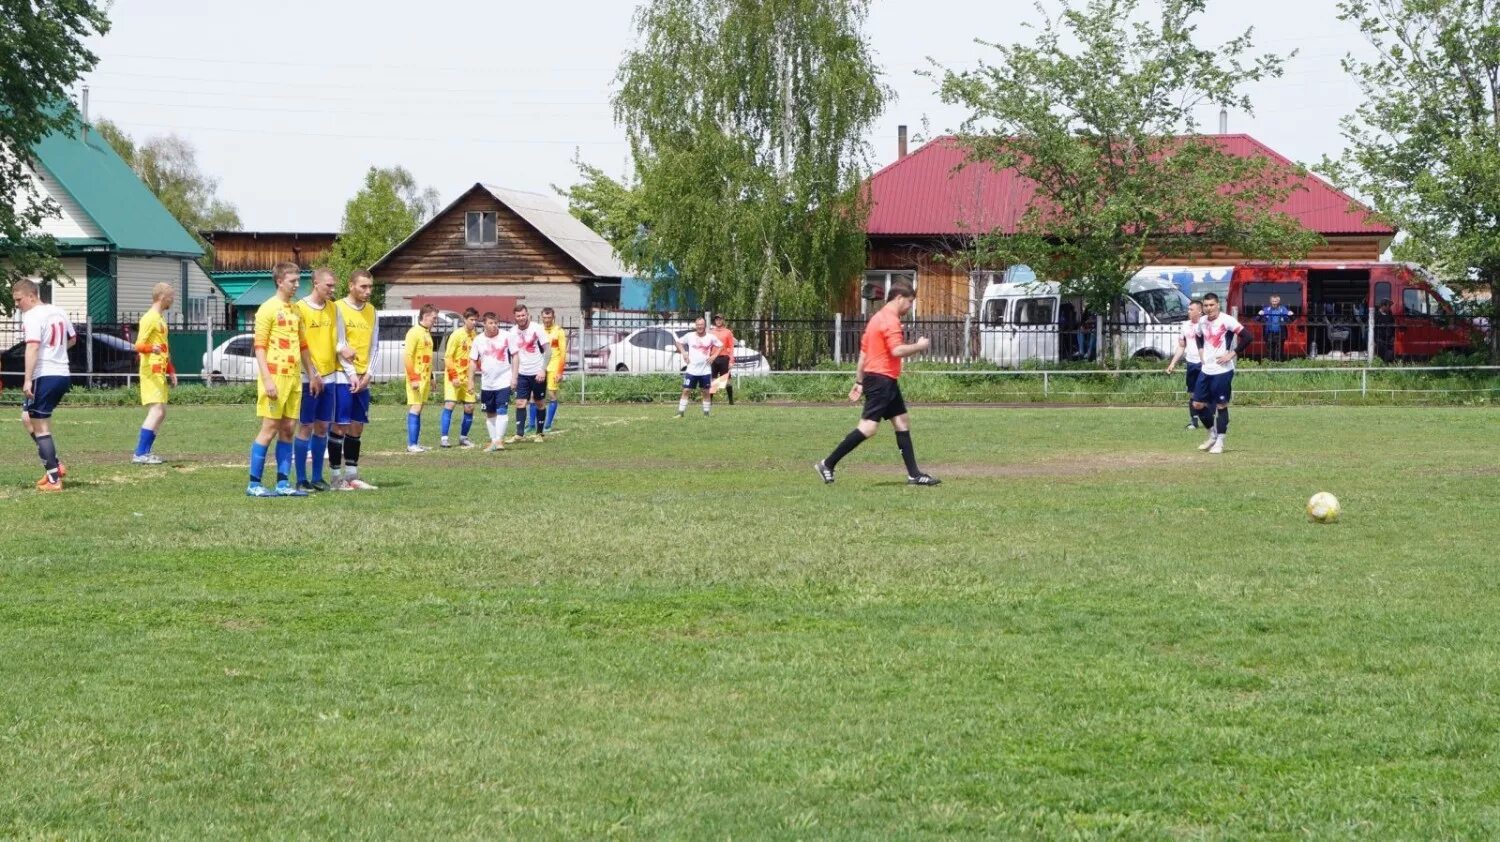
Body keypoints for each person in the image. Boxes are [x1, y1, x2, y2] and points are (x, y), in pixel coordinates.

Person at [815, 280, 940, 486]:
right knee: (868, 428)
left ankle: (914, 475)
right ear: (899, 298)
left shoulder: (876, 319)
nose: (910, 308)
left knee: (901, 422)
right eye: (909, 302)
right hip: (881, 380)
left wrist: (859, 381)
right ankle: (827, 463)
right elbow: (897, 350)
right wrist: (919, 346)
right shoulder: (890, 320)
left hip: (882, 379)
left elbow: (864, 353)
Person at [247, 262, 321, 497]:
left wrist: (312, 373)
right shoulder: (267, 309)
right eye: (293, 281)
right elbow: (259, 347)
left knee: (288, 428)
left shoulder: (296, 310)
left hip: (293, 378)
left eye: (298, 280)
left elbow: (303, 345)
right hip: (275, 377)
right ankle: (254, 483)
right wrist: (267, 379)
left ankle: (282, 483)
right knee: (269, 428)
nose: (297, 285)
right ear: (280, 281)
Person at [12, 279, 75, 492]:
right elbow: (73, 339)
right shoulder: (58, 311)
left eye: (19, 300)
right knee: (27, 417)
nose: (17, 305)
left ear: (32, 295)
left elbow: (32, 348)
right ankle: (54, 465)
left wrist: (28, 379)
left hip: (44, 375)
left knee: (41, 427)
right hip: (62, 374)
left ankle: (54, 478)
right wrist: (57, 351)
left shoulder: (32, 316)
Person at [330, 269, 379, 490]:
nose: (368, 291)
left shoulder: (372, 311)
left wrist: (368, 374)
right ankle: (335, 477)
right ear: (351, 285)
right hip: (343, 376)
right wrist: (351, 373)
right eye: (363, 287)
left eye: (370, 287)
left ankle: (352, 476)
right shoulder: (338, 308)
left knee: (357, 427)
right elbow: (338, 345)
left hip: (362, 377)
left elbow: (374, 346)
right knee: (340, 425)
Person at [294, 268, 339, 492]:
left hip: (330, 377)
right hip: (307, 378)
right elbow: (298, 345)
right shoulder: (300, 308)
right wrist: (312, 372)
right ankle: (301, 478)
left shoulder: (333, 308)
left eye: (334, 285)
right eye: (329, 285)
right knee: (305, 426)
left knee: (322, 427)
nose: (332, 289)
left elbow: (337, 340)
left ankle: (318, 477)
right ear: (315, 284)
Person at [1191, 292, 1248, 455]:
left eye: (1212, 305)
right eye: (1206, 306)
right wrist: (1201, 351)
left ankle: (1220, 442)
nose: (1209, 309)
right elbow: (1198, 336)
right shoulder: (1202, 321)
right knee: (1197, 404)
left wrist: (1231, 354)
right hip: (1206, 369)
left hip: (1222, 371)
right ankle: (1212, 435)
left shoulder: (1227, 320)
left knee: (1221, 405)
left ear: (1218, 305)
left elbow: (1247, 337)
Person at [132, 282, 178, 464]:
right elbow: (138, 345)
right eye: (171, 296)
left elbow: (164, 349)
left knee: (161, 412)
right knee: (157, 411)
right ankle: (140, 454)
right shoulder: (149, 318)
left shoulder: (160, 319)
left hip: (159, 371)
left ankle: (145, 452)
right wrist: (152, 348)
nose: (172, 299)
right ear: (161, 297)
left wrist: (171, 370)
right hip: (151, 371)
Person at [506, 304, 551, 443]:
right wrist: (513, 375)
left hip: (538, 372)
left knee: (539, 403)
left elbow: (548, 351)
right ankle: (519, 434)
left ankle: (539, 433)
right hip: (522, 373)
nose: (521, 318)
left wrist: (542, 369)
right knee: (520, 403)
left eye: (523, 315)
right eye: (518, 316)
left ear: (528, 315)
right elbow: (511, 355)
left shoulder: (537, 328)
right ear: (515, 317)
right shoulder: (512, 332)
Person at [470, 312, 514, 451]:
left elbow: (516, 356)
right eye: (491, 323)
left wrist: (514, 377)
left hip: (504, 380)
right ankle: (493, 440)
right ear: (484, 324)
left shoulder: (506, 336)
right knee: (490, 413)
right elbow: (472, 361)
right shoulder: (478, 340)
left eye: (496, 323)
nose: (494, 325)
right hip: (487, 383)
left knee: (502, 410)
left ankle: (500, 440)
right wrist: (470, 380)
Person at [440, 307, 479, 448]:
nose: (474, 322)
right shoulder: (456, 335)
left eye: (475, 320)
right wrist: (454, 375)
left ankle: (463, 438)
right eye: (471, 319)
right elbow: (448, 357)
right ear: (464, 319)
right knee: (450, 404)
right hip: (454, 377)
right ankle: (444, 438)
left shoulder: (475, 336)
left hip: (467, 378)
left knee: (470, 407)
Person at [1164, 300, 1204, 430]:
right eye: (1188, 309)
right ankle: (1194, 422)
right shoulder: (1185, 325)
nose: (1189, 311)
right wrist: (1173, 363)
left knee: (1205, 393)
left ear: (1199, 311)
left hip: (1205, 363)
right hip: (1191, 363)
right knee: (1193, 394)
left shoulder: (1205, 324)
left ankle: (1211, 418)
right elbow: (1181, 346)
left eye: (1191, 309)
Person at [404, 305, 438, 453]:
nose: (435, 320)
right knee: (415, 408)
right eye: (434, 317)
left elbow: (427, 359)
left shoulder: (427, 333)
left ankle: (416, 443)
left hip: (425, 378)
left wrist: (431, 377)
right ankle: (411, 444)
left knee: (420, 408)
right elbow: (407, 357)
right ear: (425, 316)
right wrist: (413, 378)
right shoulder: (414, 332)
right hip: (416, 378)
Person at [673, 316, 723, 418]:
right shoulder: (689, 336)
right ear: (696, 325)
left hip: (705, 370)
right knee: (686, 390)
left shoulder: (710, 337)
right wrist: (684, 353)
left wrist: (714, 355)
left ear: (705, 326)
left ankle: (706, 413)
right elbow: (678, 342)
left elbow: (721, 345)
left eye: (702, 325)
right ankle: (680, 412)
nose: (700, 327)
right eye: (698, 325)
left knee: (705, 392)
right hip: (691, 370)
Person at [538, 306, 568, 434]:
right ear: (541, 317)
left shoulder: (559, 331)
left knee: (551, 395)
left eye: (549, 317)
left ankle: (548, 424)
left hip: (554, 367)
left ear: (553, 317)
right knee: (535, 396)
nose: (547, 320)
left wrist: (560, 371)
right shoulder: (538, 330)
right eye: (544, 317)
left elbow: (563, 353)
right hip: (539, 367)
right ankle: (532, 425)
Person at [1256, 294, 1292, 362]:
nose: (1274, 303)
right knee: (1269, 350)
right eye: (1273, 301)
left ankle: (1278, 365)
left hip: (1280, 333)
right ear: (1270, 301)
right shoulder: (1266, 309)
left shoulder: (1283, 309)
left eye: (1276, 301)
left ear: (1278, 301)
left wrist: (1290, 314)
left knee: (1279, 350)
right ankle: (1270, 364)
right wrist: (1259, 314)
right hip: (1269, 333)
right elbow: (1257, 319)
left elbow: (1290, 320)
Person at [710, 313, 736, 404]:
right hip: (713, 359)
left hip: (724, 358)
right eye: (716, 319)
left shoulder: (728, 332)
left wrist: (731, 361)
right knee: (713, 380)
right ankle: (710, 401)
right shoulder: (711, 332)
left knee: (726, 380)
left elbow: (731, 347)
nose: (718, 321)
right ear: (715, 321)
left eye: (720, 319)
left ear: (723, 320)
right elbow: (708, 346)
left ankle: (731, 401)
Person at [1374, 298, 1396, 363]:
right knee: (1381, 357)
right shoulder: (1376, 315)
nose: (1389, 308)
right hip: (1380, 340)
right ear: (1383, 306)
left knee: (1389, 357)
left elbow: (1393, 326)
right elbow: (1373, 328)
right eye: (1388, 306)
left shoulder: (1390, 315)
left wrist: (1393, 336)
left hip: (1389, 341)